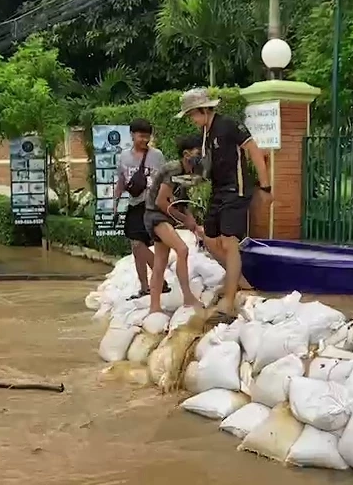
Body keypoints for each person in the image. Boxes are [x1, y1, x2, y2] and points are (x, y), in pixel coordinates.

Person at [176, 88, 272, 322]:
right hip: (218, 190)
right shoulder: (205, 133)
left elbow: (255, 152)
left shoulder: (229, 126)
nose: (192, 120)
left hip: (236, 189)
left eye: (192, 114)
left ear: (203, 110)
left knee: (229, 242)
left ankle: (229, 300)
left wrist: (266, 187)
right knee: (209, 239)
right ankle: (239, 281)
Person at [143, 134, 206, 314]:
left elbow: (180, 203)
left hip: (165, 216)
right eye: (197, 153)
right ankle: (187, 297)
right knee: (182, 250)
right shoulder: (173, 170)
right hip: (155, 215)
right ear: (186, 154)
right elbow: (162, 202)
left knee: (160, 262)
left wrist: (191, 221)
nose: (200, 156)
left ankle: (154, 307)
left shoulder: (188, 173)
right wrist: (185, 220)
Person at [112, 118, 169, 299]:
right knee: (136, 247)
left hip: (152, 206)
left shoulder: (157, 156)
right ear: (132, 135)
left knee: (140, 245)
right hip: (135, 204)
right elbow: (121, 181)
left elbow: (166, 181)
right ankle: (145, 287)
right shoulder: (123, 157)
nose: (144, 140)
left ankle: (160, 280)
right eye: (141, 136)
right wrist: (115, 203)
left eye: (147, 137)